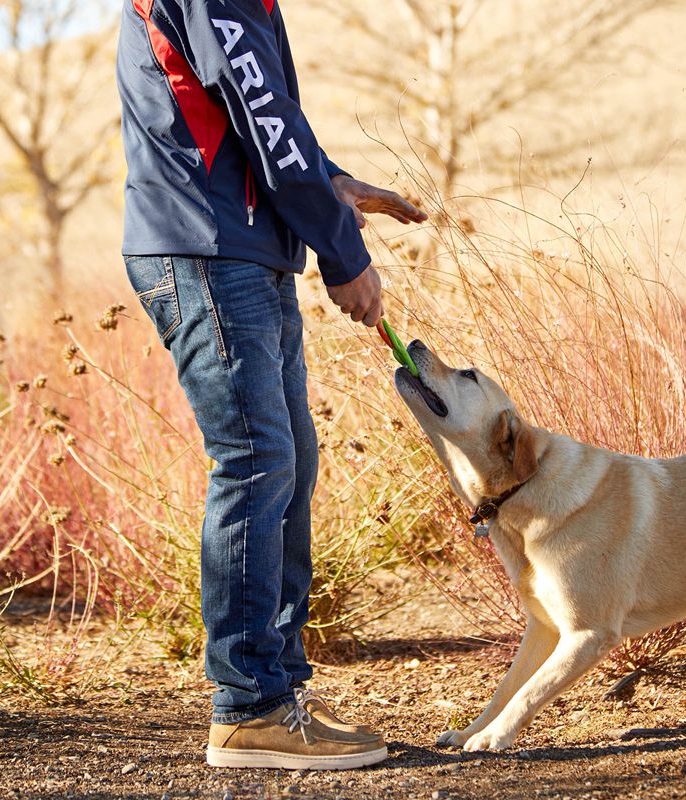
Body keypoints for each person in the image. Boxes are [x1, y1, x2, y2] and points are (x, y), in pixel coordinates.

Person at [116, 0, 427, 770]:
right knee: (257, 463)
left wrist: (335, 188)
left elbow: (258, 115)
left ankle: (277, 695)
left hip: (245, 249)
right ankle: (249, 706)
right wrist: (341, 248)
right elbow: (260, 115)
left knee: (289, 463)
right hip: (209, 250)